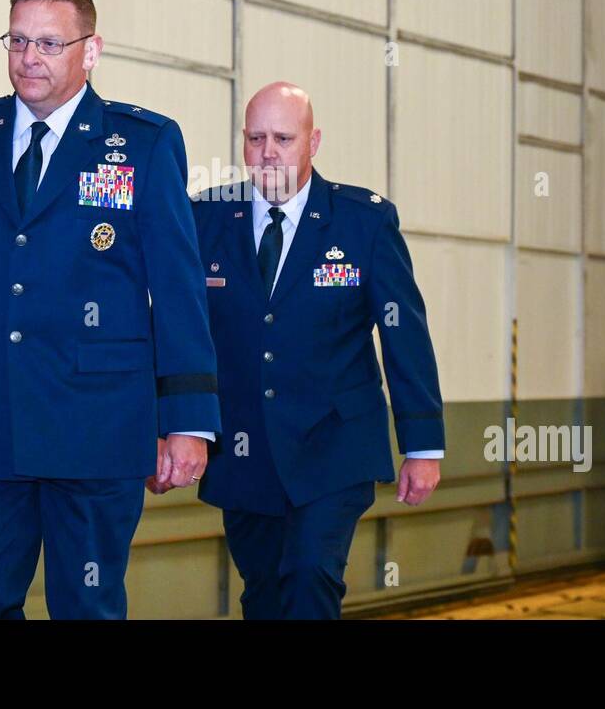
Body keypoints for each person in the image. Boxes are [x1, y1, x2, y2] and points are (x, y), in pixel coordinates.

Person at [0, 0, 219, 619]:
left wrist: (187, 421)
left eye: (49, 43)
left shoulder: (142, 144)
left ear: (91, 50)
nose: (29, 59)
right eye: (17, 41)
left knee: (86, 606)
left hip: (97, 424)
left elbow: (179, 289)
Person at [162, 81, 444, 619]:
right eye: (255, 138)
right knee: (264, 590)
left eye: (284, 138)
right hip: (244, 447)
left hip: (334, 443)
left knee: (311, 572)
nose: (268, 151)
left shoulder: (364, 222)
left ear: (314, 143)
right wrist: (168, 424)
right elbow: (176, 329)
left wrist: (423, 445)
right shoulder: (205, 218)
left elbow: (403, 330)